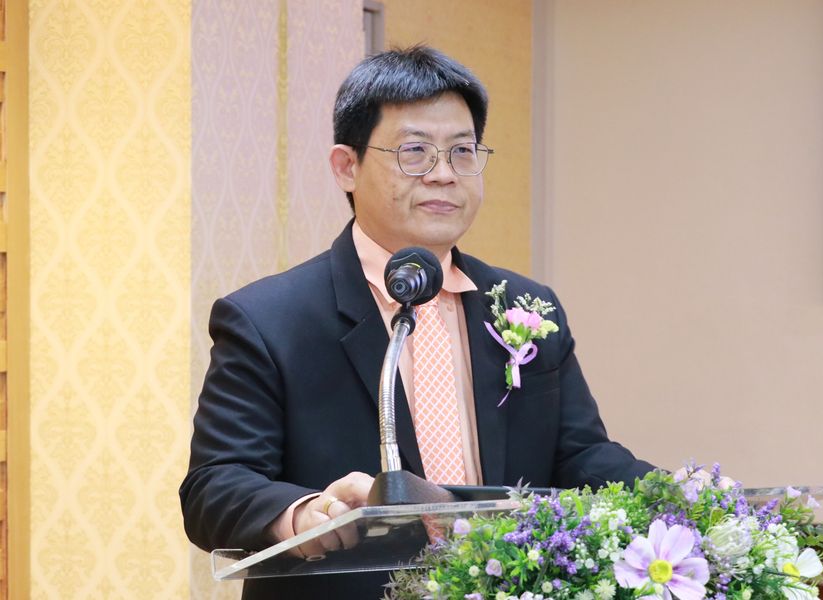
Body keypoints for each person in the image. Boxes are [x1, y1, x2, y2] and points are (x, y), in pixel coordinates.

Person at [180, 46, 654, 600]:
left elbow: (581, 458)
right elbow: (215, 487)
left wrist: (686, 499)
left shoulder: (525, 306)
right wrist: (308, 514)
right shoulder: (268, 319)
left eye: (462, 152)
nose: (444, 175)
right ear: (347, 166)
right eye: (415, 152)